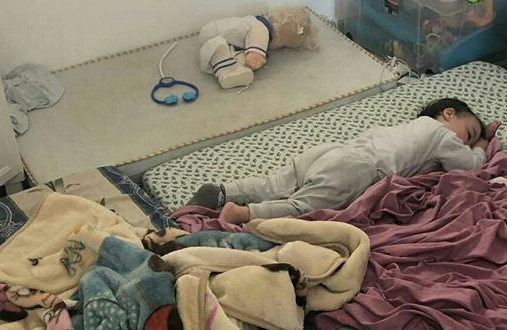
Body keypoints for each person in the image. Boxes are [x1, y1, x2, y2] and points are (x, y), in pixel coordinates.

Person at [189, 98, 496, 225]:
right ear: (448, 114)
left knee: (276, 183)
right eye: (468, 133)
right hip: (359, 168)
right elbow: (469, 166)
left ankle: (224, 191)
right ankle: (243, 213)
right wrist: (481, 146)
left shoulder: (412, 127)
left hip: (334, 150)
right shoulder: (443, 135)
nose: (465, 142)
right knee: (305, 207)